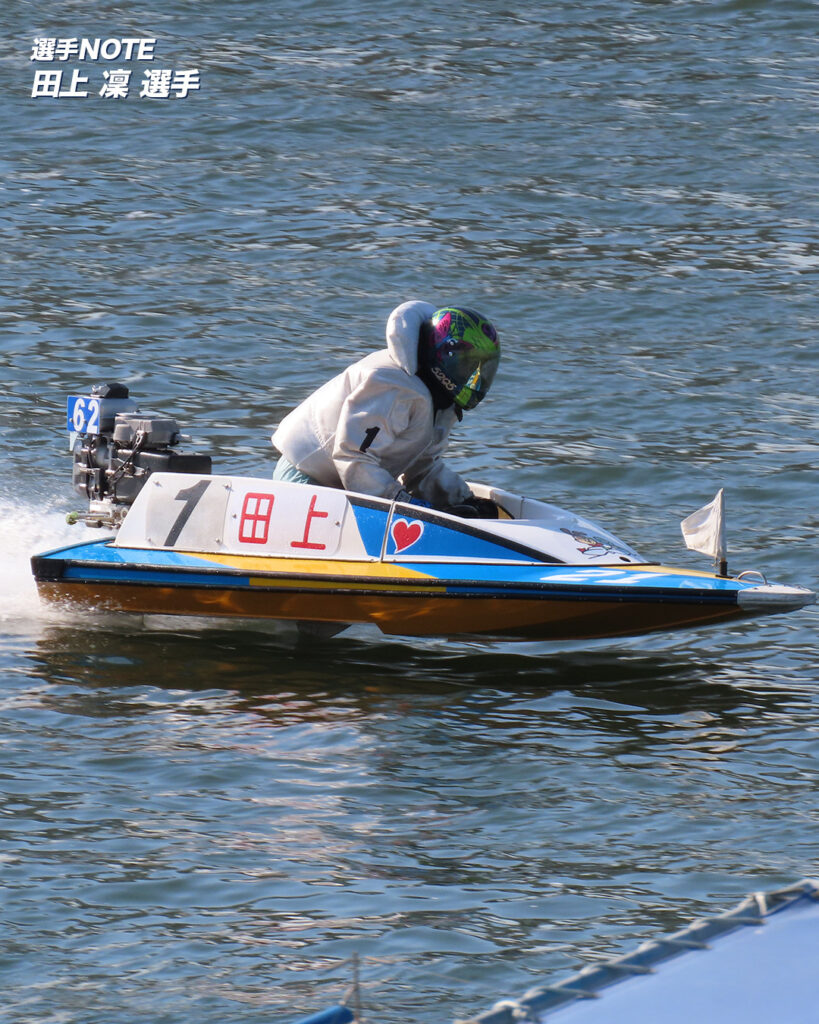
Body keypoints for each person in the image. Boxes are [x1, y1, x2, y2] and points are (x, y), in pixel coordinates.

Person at [271, 300, 500, 513]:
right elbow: (353, 456)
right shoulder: (392, 383)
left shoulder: (440, 401)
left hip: (345, 486)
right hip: (306, 477)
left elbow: (422, 468)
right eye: (467, 365)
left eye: (480, 369)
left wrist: (463, 499)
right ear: (445, 356)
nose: (474, 377)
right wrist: (404, 505)